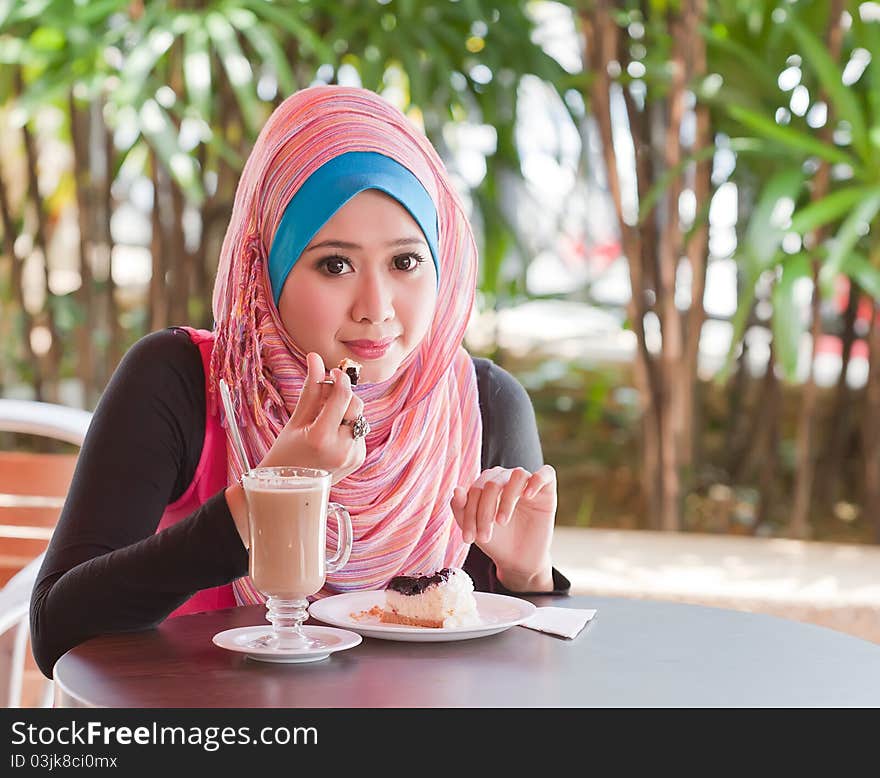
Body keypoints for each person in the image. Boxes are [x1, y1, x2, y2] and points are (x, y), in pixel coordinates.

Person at [30, 85, 569, 678]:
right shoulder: (184, 383)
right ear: (266, 268)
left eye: (406, 261)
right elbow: (58, 628)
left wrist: (529, 579)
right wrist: (266, 497)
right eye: (334, 264)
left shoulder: (483, 404)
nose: (376, 307)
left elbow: (517, 687)